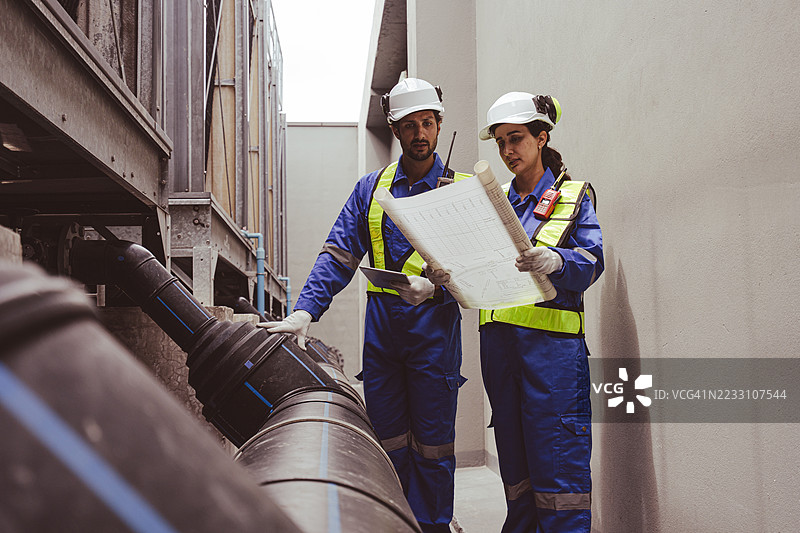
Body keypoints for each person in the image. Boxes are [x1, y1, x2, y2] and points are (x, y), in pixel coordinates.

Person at [261, 78, 469, 533]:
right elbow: (338, 254)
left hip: (434, 341)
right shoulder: (370, 189)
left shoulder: (463, 190)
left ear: (438, 125)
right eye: (410, 125)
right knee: (389, 446)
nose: (421, 134)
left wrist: (435, 291)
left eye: (428, 123)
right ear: (395, 130)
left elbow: (483, 270)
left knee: (432, 449)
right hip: (383, 343)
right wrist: (304, 311)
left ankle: (433, 526)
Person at [431, 92, 603, 532]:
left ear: (541, 138)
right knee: (518, 477)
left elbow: (592, 259)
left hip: (553, 363)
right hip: (502, 359)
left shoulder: (572, 195)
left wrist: (557, 261)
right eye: (501, 142)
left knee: (559, 477)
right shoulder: (492, 203)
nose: (508, 151)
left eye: (517, 139)